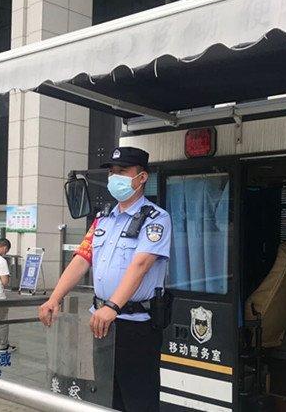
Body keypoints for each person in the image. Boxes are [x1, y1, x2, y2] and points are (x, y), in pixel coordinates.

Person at [38, 146, 172, 412]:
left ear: (142, 177)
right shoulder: (102, 218)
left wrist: (112, 306)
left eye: (122, 171)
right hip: (100, 323)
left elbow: (141, 265)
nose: (114, 177)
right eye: (112, 172)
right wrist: (54, 298)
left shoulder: (156, 219)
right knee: (107, 397)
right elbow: (82, 259)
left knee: (139, 401)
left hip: (136, 326)